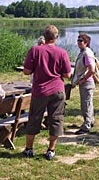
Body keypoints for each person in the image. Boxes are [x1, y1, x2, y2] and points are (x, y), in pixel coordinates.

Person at [22, 25, 71, 160]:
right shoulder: (62, 53)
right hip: (57, 89)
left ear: (44, 36)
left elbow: (26, 71)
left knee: (34, 119)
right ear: (56, 37)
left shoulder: (35, 50)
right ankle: (51, 150)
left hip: (40, 91)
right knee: (56, 119)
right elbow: (67, 74)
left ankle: (29, 149)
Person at [71, 33, 95, 134]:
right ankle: (90, 121)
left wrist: (83, 79)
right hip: (85, 83)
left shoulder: (87, 54)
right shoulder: (83, 52)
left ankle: (86, 125)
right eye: (78, 40)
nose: (79, 42)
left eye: (81, 41)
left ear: (86, 43)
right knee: (87, 103)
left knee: (86, 105)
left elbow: (92, 70)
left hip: (87, 83)